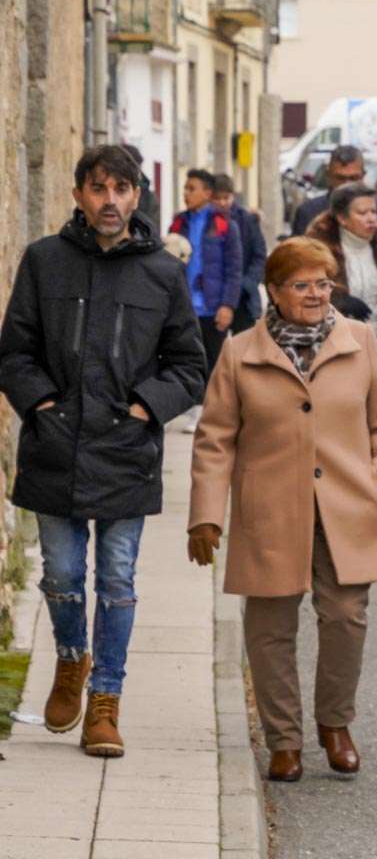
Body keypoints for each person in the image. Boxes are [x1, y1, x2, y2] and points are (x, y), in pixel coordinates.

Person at [0, 145, 206, 757]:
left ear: (137, 195)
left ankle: (106, 702)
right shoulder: (45, 261)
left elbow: (189, 365)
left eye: (122, 188)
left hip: (125, 450)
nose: (110, 200)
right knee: (62, 576)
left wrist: (144, 407)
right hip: (55, 446)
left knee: (116, 580)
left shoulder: (163, 273)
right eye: (98, 188)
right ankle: (71, 659)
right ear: (78, 196)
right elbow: (15, 352)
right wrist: (43, 405)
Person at [187, 236, 377, 782]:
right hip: (270, 508)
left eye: (323, 283)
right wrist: (206, 514)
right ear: (275, 292)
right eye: (302, 285)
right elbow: (215, 438)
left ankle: (335, 723)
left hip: (349, 506)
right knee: (269, 630)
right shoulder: (240, 352)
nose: (315, 294)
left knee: (346, 619)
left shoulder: (359, 341)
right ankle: (283, 740)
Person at [305, 184, 377, 406]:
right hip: (333, 352)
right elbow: (303, 297)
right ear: (342, 219)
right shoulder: (317, 250)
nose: (372, 218)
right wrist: (338, 301)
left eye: (373, 212)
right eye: (362, 213)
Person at [171, 168, 245, 369]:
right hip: (184, 309)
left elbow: (234, 270)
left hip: (212, 308)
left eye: (191, 189)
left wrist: (227, 306)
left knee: (214, 365)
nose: (186, 193)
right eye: (185, 188)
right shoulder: (178, 223)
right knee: (185, 363)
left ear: (207, 193)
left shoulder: (225, 225)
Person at [290, 145, 377, 244]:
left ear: (363, 176)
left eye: (353, 178)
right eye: (340, 178)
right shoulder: (309, 212)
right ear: (329, 176)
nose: (347, 185)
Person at [211, 176, 268, 334]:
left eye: (226, 198)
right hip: (213, 298)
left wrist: (246, 283)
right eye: (217, 198)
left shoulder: (247, 220)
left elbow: (260, 256)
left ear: (233, 196)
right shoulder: (205, 222)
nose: (222, 203)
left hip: (245, 298)